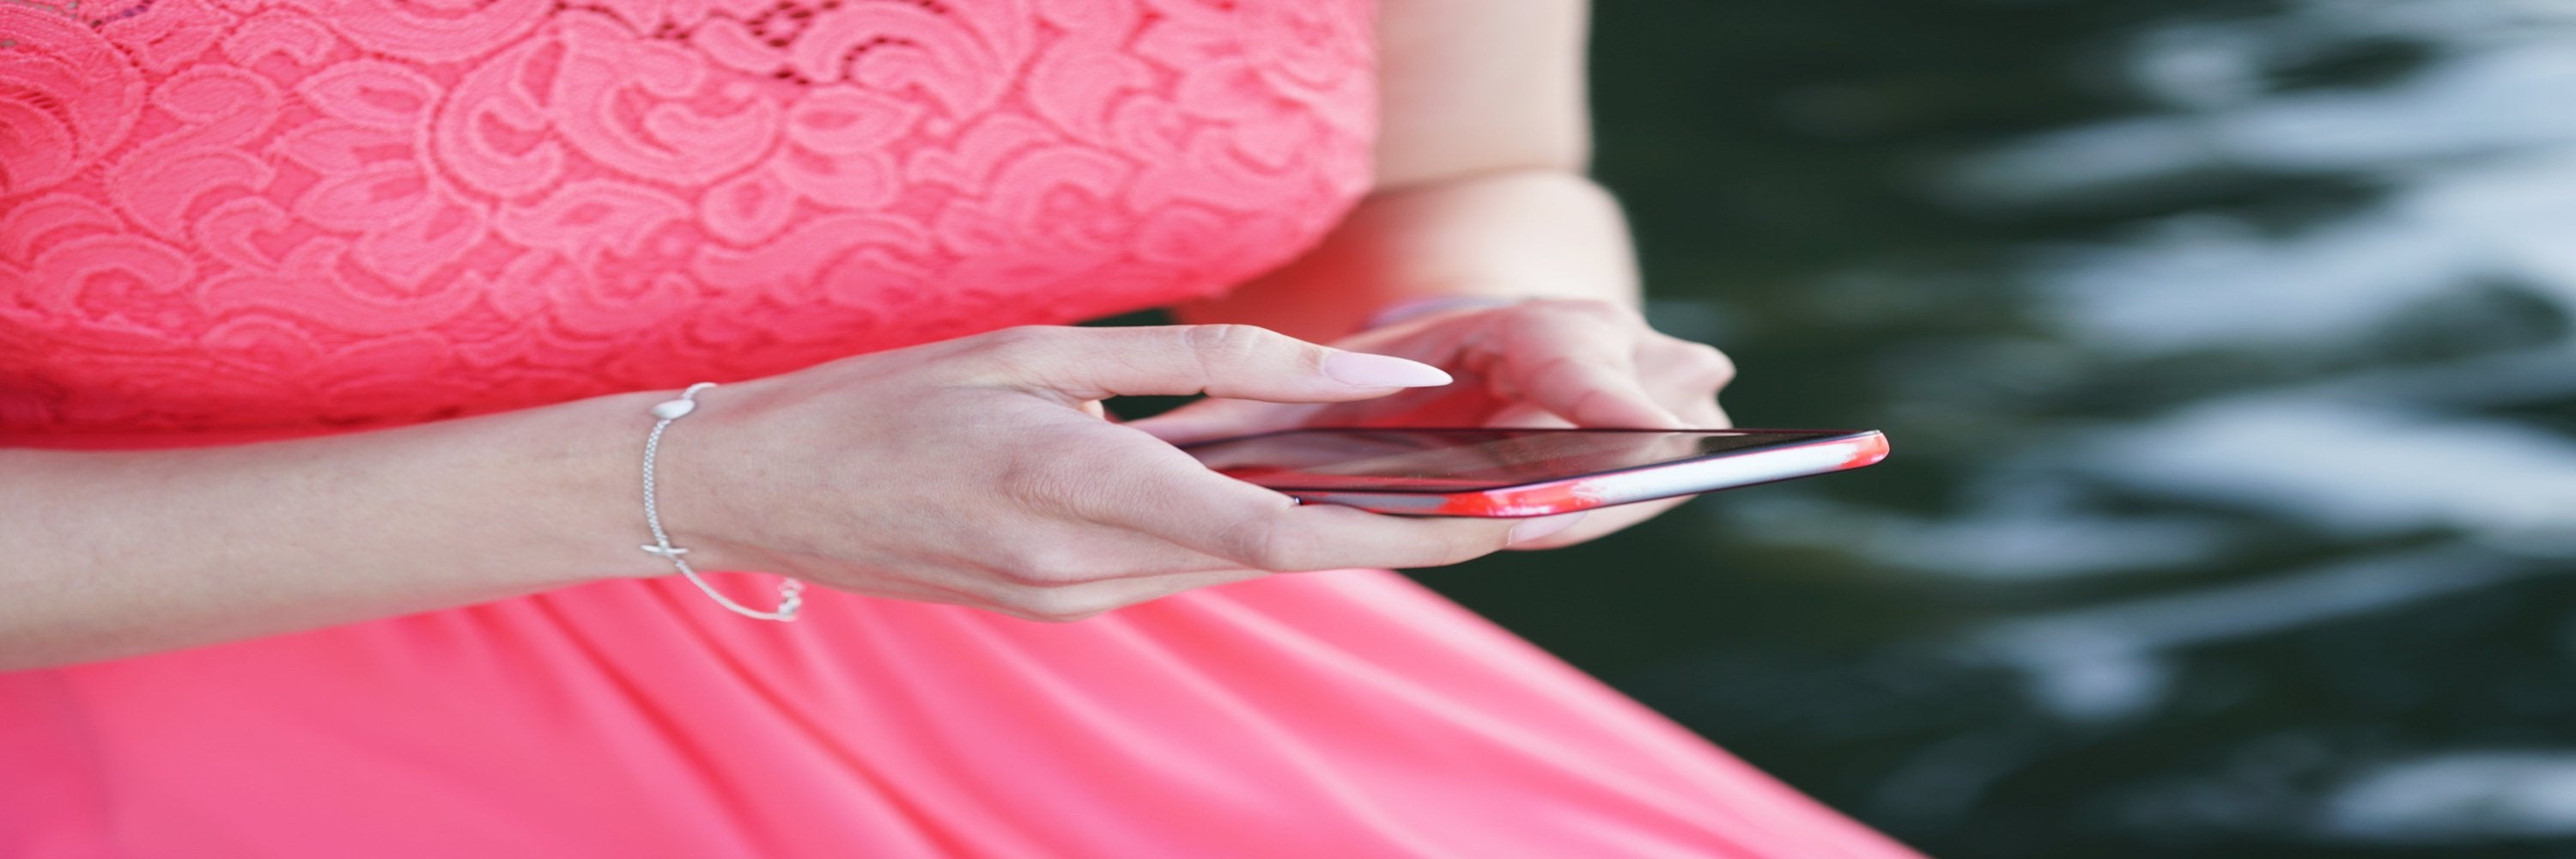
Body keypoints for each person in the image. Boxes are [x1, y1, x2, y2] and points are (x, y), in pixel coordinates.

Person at [0, 0, 1920, 855]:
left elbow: (1468, 163)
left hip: (1088, 636)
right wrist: (700, 481)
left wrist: (1460, 337)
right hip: (141, 672)